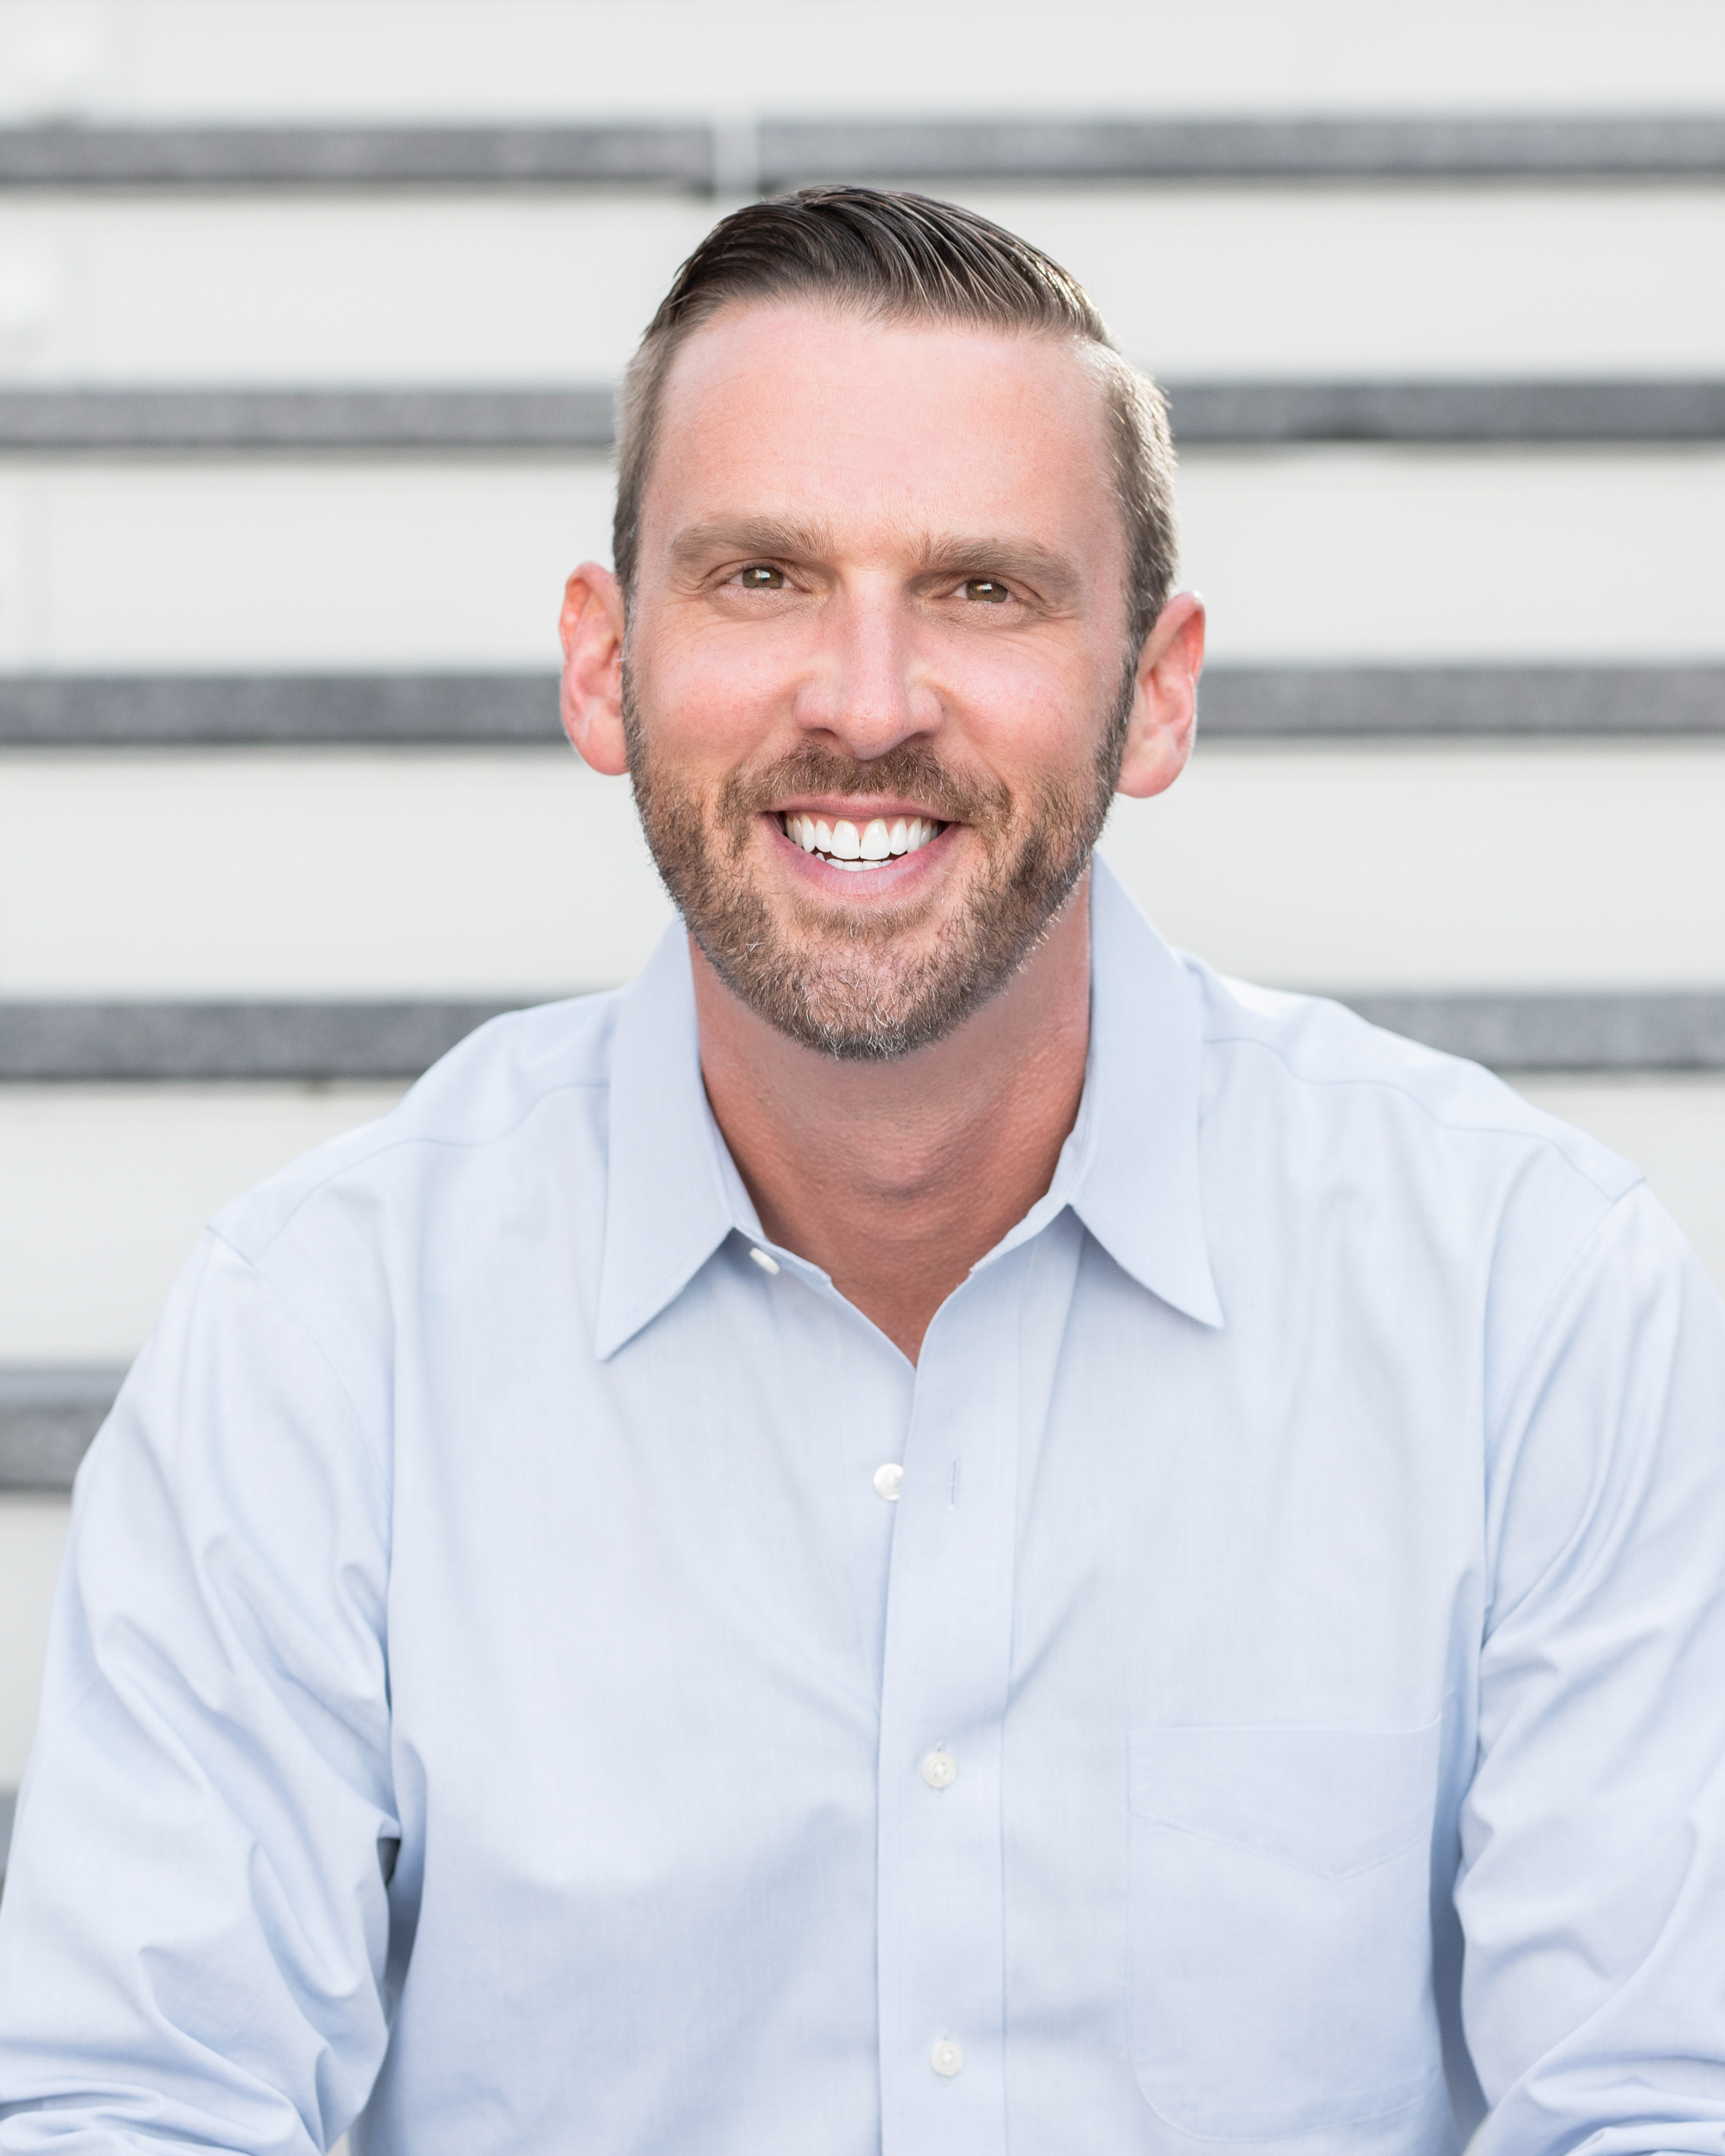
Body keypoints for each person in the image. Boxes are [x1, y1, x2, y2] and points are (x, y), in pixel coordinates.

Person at [3, 187, 1724, 2156]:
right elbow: (139, 2112)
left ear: (1153, 691)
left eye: (983, 590)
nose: (868, 698)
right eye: (761, 577)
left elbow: (1654, 2104)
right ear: (601, 661)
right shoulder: (319, 1335)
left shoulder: (1529, 1303)